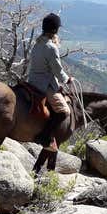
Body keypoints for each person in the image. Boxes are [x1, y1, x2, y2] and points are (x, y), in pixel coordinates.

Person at [27, 13, 73, 151]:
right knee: (64, 111)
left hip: (32, 81)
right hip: (45, 84)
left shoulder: (37, 43)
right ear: (55, 30)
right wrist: (67, 79)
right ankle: (45, 136)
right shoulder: (51, 47)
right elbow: (57, 70)